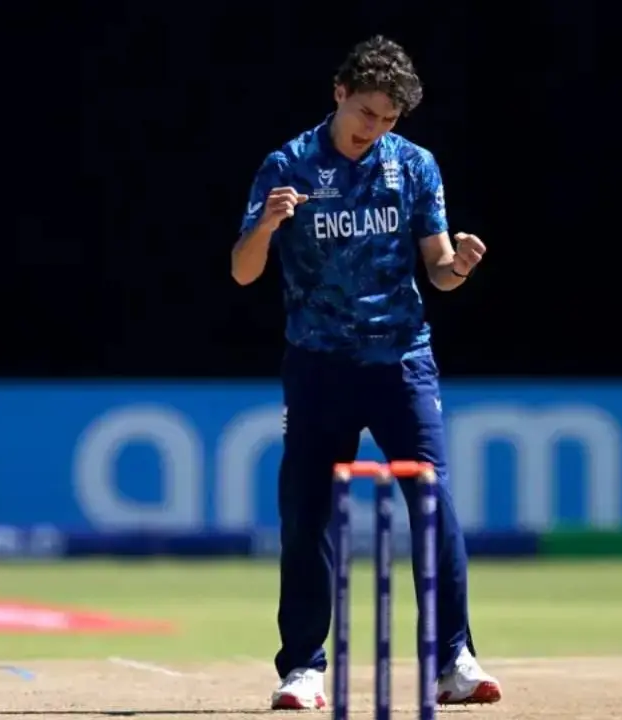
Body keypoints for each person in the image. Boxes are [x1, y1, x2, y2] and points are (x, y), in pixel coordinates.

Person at [231, 36, 502, 710]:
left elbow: (436, 267)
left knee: (433, 503)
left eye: (389, 120)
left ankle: (454, 660)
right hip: (319, 363)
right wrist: (265, 227)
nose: (374, 130)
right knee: (309, 514)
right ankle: (304, 667)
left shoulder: (413, 167)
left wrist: (457, 267)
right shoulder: (288, 165)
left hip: (401, 361)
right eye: (367, 114)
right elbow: (242, 270)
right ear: (340, 92)